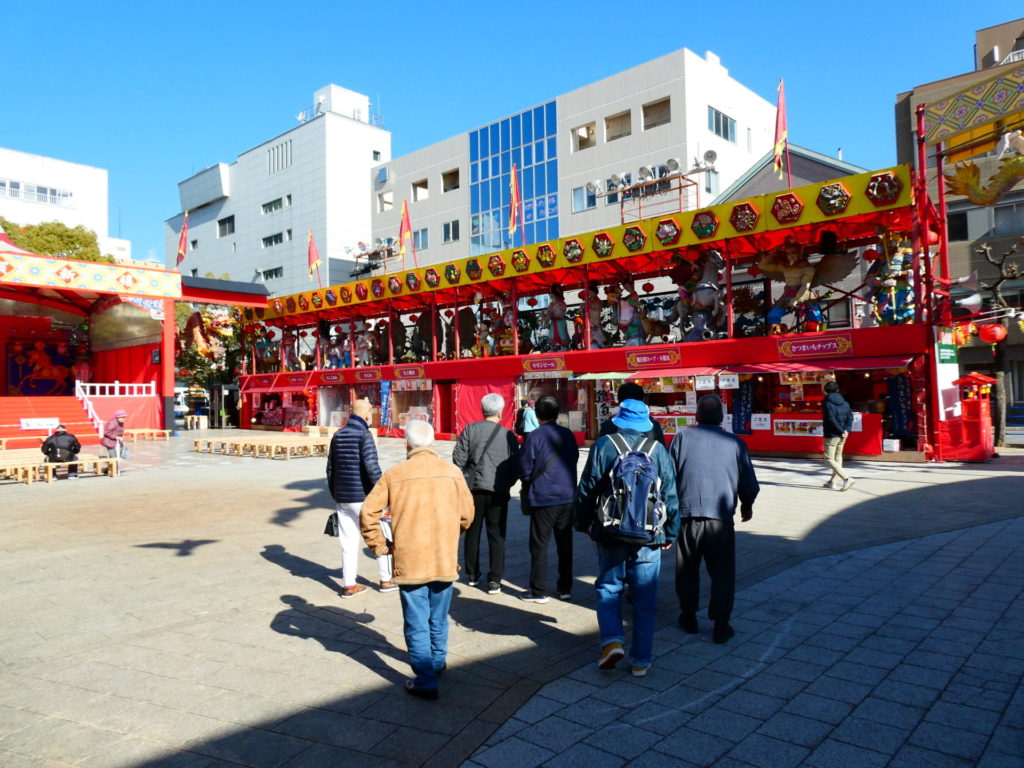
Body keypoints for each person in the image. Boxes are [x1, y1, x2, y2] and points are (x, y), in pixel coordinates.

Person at [360, 421, 474, 700]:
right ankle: (437, 662)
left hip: (410, 560)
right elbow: (467, 515)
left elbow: (368, 513)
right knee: (439, 616)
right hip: (443, 558)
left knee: (416, 621)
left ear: (406, 444)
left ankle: (425, 678)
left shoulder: (394, 474)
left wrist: (380, 545)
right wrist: (450, 532)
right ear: (432, 442)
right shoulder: (452, 473)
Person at [577, 400, 679, 677]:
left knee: (609, 588)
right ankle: (640, 661)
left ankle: (612, 641)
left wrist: (584, 523)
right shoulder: (658, 450)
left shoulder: (604, 445)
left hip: (611, 532)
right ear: (646, 423)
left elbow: (587, 488)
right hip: (649, 535)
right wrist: (670, 532)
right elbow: (670, 494)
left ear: (620, 420)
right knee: (645, 600)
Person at [670, 395, 759, 644]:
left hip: (687, 516)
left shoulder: (681, 438)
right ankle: (721, 623)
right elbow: (748, 482)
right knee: (722, 572)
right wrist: (747, 505)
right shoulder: (735, 442)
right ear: (721, 417)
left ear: (696, 416)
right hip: (720, 518)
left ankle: (688, 617)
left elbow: (668, 477)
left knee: (687, 569)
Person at [326, 399, 395, 598]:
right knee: (381, 536)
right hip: (363, 497)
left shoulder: (338, 435)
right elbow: (372, 469)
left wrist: (335, 493)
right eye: (371, 414)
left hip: (343, 497)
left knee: (348, 542)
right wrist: (384, 495)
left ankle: (349, 585)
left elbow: (330, 468)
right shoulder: (365, 435)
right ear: (366, 414)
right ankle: (386, 580)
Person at [452, 393, 520, 595]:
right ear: (500, 411)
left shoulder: (470, 430)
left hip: (472, 490)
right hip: (498, 491)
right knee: (497, 535)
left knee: (471, 532)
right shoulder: (508, 435)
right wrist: (507, 484)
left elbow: (458, 459)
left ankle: (472, 575)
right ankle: (495, 580)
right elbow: (515, 466)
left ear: (482, 410)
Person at [518, 394, 579, 603]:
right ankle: (565, 587)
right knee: (565, 543)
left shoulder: (534, 437)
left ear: (537, 414)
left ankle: (539, 590)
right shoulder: (568, 435)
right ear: (557, 412)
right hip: (568, 495)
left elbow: (525, 468)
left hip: (543, 496)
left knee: (539, 544)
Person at [598, 382, 667, 446]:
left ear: (619, 401)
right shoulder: (653, 426)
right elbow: (662, 455)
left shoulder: (608, 425)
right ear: (642, 400)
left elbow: (599, 453)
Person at [822, 380, 855, 491]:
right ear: (837, 390)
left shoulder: (827, 403)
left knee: (829, 459)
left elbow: (830, 419)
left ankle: (847, 478)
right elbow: (850, 417)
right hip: (842, 435)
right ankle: (833, 482)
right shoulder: (845, 403)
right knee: (837, 457)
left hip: (831, 435)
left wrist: (841, 430)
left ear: (826, 391)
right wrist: (846, 430)